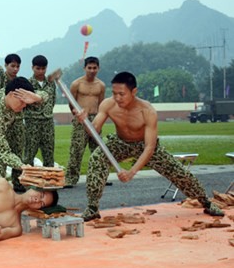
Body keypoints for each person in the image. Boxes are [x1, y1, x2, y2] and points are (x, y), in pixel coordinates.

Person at [76, 71, 224, 221]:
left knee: (179, 172)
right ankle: (93, 207)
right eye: (114, 93)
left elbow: (149, 147)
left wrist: (131, 172)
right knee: (97, 158)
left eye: (122, 94)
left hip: (145, 145)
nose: (117, 98)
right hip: (120, 142)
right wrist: (84, 121)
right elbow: (94, 130)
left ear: (134, 91)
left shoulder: (147, 111)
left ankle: (206, 201)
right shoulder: (108, 104)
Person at [64, 56, 108, 188]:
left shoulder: (101, 85)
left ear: (98, 68)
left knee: (98, 150)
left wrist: (100, 119)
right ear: (84, 68)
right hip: (80, 119)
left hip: (95, 118)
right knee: (76, 150)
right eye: (89, 68)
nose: (92, 70)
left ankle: (99, 177)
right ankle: (71, 178)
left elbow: (101, 104)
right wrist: (76, 114)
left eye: (95, 68)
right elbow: (71, 103)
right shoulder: (76, 84)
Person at [23, 55, 59, 168]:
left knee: (49, 152)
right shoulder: (27, 83)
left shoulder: (51, 83)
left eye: (43, 68)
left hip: (47, 122)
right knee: (29, 154)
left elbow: (52, 100)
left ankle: (49, 181)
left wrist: (47, 112)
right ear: (32, 67)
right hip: (32, 122)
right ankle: (28, 181)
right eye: (38, 68)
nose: (41, 71)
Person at [4, 54, 26, 192]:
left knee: (18, 152)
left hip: (18, 120)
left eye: (17, 66)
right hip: (4, 121)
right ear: (6, 66)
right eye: (12, 66)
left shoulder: (20, 82)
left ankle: (17, 182)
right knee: (2, 152)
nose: (15, 69)